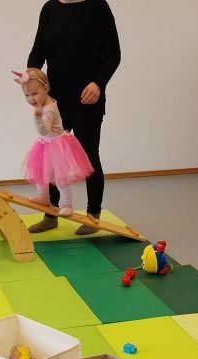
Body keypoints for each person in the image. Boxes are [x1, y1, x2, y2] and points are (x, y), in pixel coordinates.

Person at [26, 0, 120, 236]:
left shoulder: (97, 7)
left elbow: (113, 55)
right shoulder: (49, 9)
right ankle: (52, 213)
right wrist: (30, 80)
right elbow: (37, 52)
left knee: (88, 154)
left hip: (87, 99)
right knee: (51, 154)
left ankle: (92, 215)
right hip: (55, 101)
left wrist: (98, 84)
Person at [13, 68, 94, 218]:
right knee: (41, 173)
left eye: (35, 94)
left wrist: (37, 117)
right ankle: (43, 197)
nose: (31, 99)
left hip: (57, 145)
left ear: (45, 88)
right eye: (27, 95)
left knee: (60, 179)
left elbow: (43, 130)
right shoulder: (43, 103)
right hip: (45, 144)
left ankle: (67, 206)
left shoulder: (49, 109)